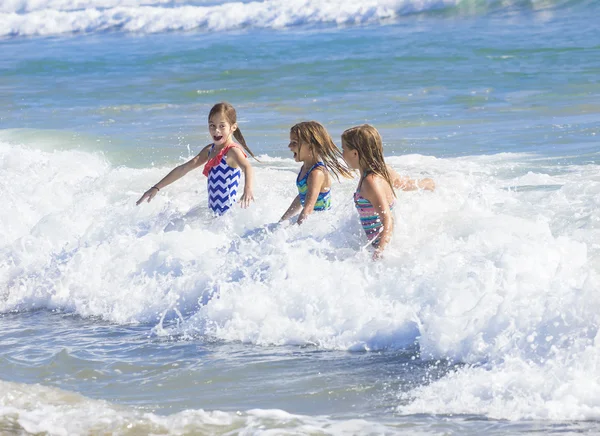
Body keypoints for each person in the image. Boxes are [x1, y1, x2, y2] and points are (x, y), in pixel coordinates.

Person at [136, 102, 257, 215]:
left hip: (229, 216)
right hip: (214, 217)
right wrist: (156, 187)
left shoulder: (232, 151)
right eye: (212, 125)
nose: (216, 130)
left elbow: (247, 167)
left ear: (233, 127)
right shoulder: (210, 150)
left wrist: (247, 189)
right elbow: (184, 168)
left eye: (222, 126)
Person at [341, 124, 435, 259]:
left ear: (355, 153)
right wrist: (424, 184)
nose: (342, 154)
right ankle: (428, 183)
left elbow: (388, 219)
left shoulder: (370, 182)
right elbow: (404, 184)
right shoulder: (383, 169)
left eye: (343, 149)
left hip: (384, 246)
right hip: (390, 241)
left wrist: (380, 251)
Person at [279, 121, 353, 225]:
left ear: (311, 147)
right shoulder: (305, 168)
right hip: (312, 219)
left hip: (322, 223)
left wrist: (296, 230)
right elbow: (302, 197)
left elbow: (309, 208)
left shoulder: (316, 173)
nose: (289, 146)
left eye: (294, 143)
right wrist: (282, 220)